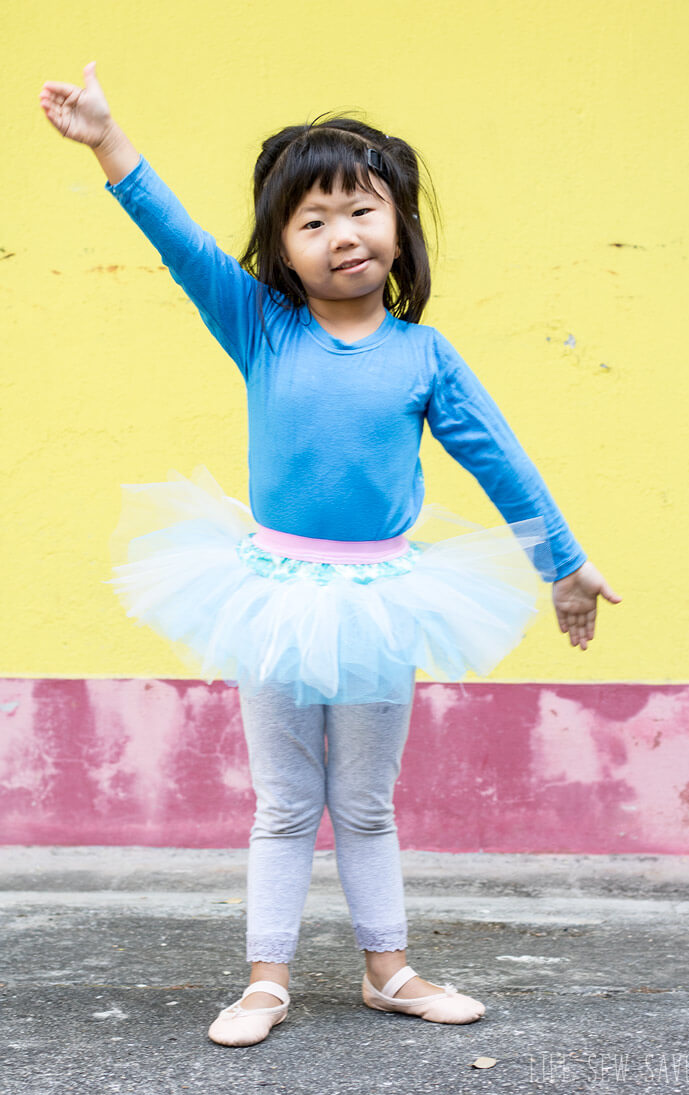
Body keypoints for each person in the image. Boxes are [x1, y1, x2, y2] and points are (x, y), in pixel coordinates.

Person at [39, 62, 621, 1048]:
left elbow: (500, 460)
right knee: (282, 801)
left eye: (359, 209)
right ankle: (265, 980)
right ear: (280, 251)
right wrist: (107, 139)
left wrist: (562, 563)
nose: (340, 233)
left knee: (361, 800)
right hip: (271, 589)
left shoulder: (424, 356)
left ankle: (387, 971)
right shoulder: (260, 327)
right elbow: (174, 238)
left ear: (398, 226)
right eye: (311, 221)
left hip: (385, 597)